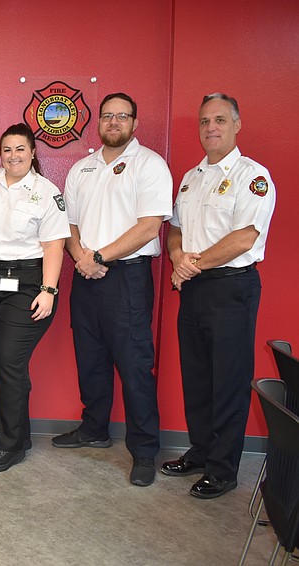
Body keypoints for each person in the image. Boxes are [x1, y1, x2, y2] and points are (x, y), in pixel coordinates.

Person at [53, 93, 173, 487]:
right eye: (108, 116)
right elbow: (68, 224)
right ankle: (94, 428)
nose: (114, 122)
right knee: (91, 357)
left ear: (135, 123)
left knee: (135, 364)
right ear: (98, 123)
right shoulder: (81, 168)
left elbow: (148, 226)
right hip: (87, 274)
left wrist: (99, 257)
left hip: (127, 277)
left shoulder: (150, 164)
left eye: (123, 116)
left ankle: (143, 450)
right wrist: (83, 258)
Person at [161, 93, 276, 499]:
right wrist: (177, 256)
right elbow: (174, 228)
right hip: (193, 288)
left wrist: (193, 264)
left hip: (230, 288)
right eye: (205, 121)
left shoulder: (252, 176)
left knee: (228, 379)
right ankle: (201, 450)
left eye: (220, 120)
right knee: (198, 377)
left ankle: (224, 468)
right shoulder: (192, 176)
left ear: (237, 125)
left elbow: (245, 236)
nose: (211, 128)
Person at [0, 124, 69, 472]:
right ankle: (21, 435)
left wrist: (48, 290)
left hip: (26, 283)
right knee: (7, 365)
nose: (13, 156)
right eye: (7, 149)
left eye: (20, 149)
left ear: (33, 152)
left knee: (8, 360)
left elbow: (54, 244)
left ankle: (7, 445)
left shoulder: (46, 192)